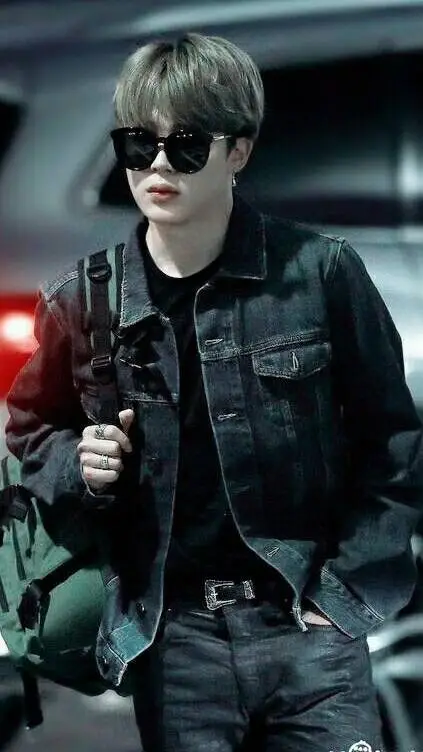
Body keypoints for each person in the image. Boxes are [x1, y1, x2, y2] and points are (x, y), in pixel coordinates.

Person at [5, 32, 423, 752]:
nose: (158, 166)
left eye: (187, 145)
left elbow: (393, 443)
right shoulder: (82, 299)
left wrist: (343, 597)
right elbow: (28, 435)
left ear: (238, 152)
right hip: (176, 644)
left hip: (309, 632)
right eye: (139, 144)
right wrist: (81, 463)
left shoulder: (321, 275)